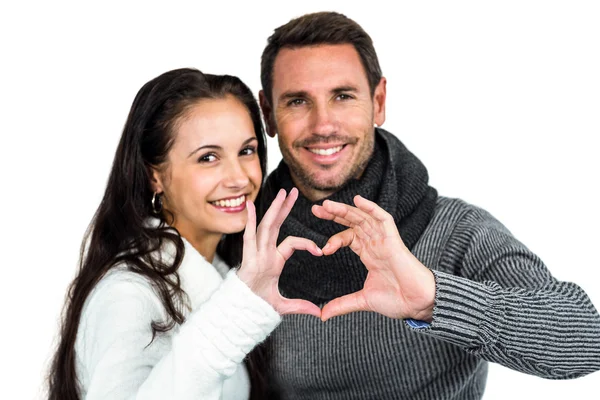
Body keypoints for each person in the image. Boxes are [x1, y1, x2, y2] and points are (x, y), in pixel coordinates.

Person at [257, 11, 600, 399]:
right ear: (268, 113)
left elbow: (586, 340)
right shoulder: (249, 243)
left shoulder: (458, 231)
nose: (322, 125)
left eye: (343, 96)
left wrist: (433, 299)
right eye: (298, 101)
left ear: (379, 100)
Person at [46, 68, 324, 400]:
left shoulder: (225, 274)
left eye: (247, 151)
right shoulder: (128, 294)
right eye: (208, 158)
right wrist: (239, 313)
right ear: (155, 177)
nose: (238, 177)